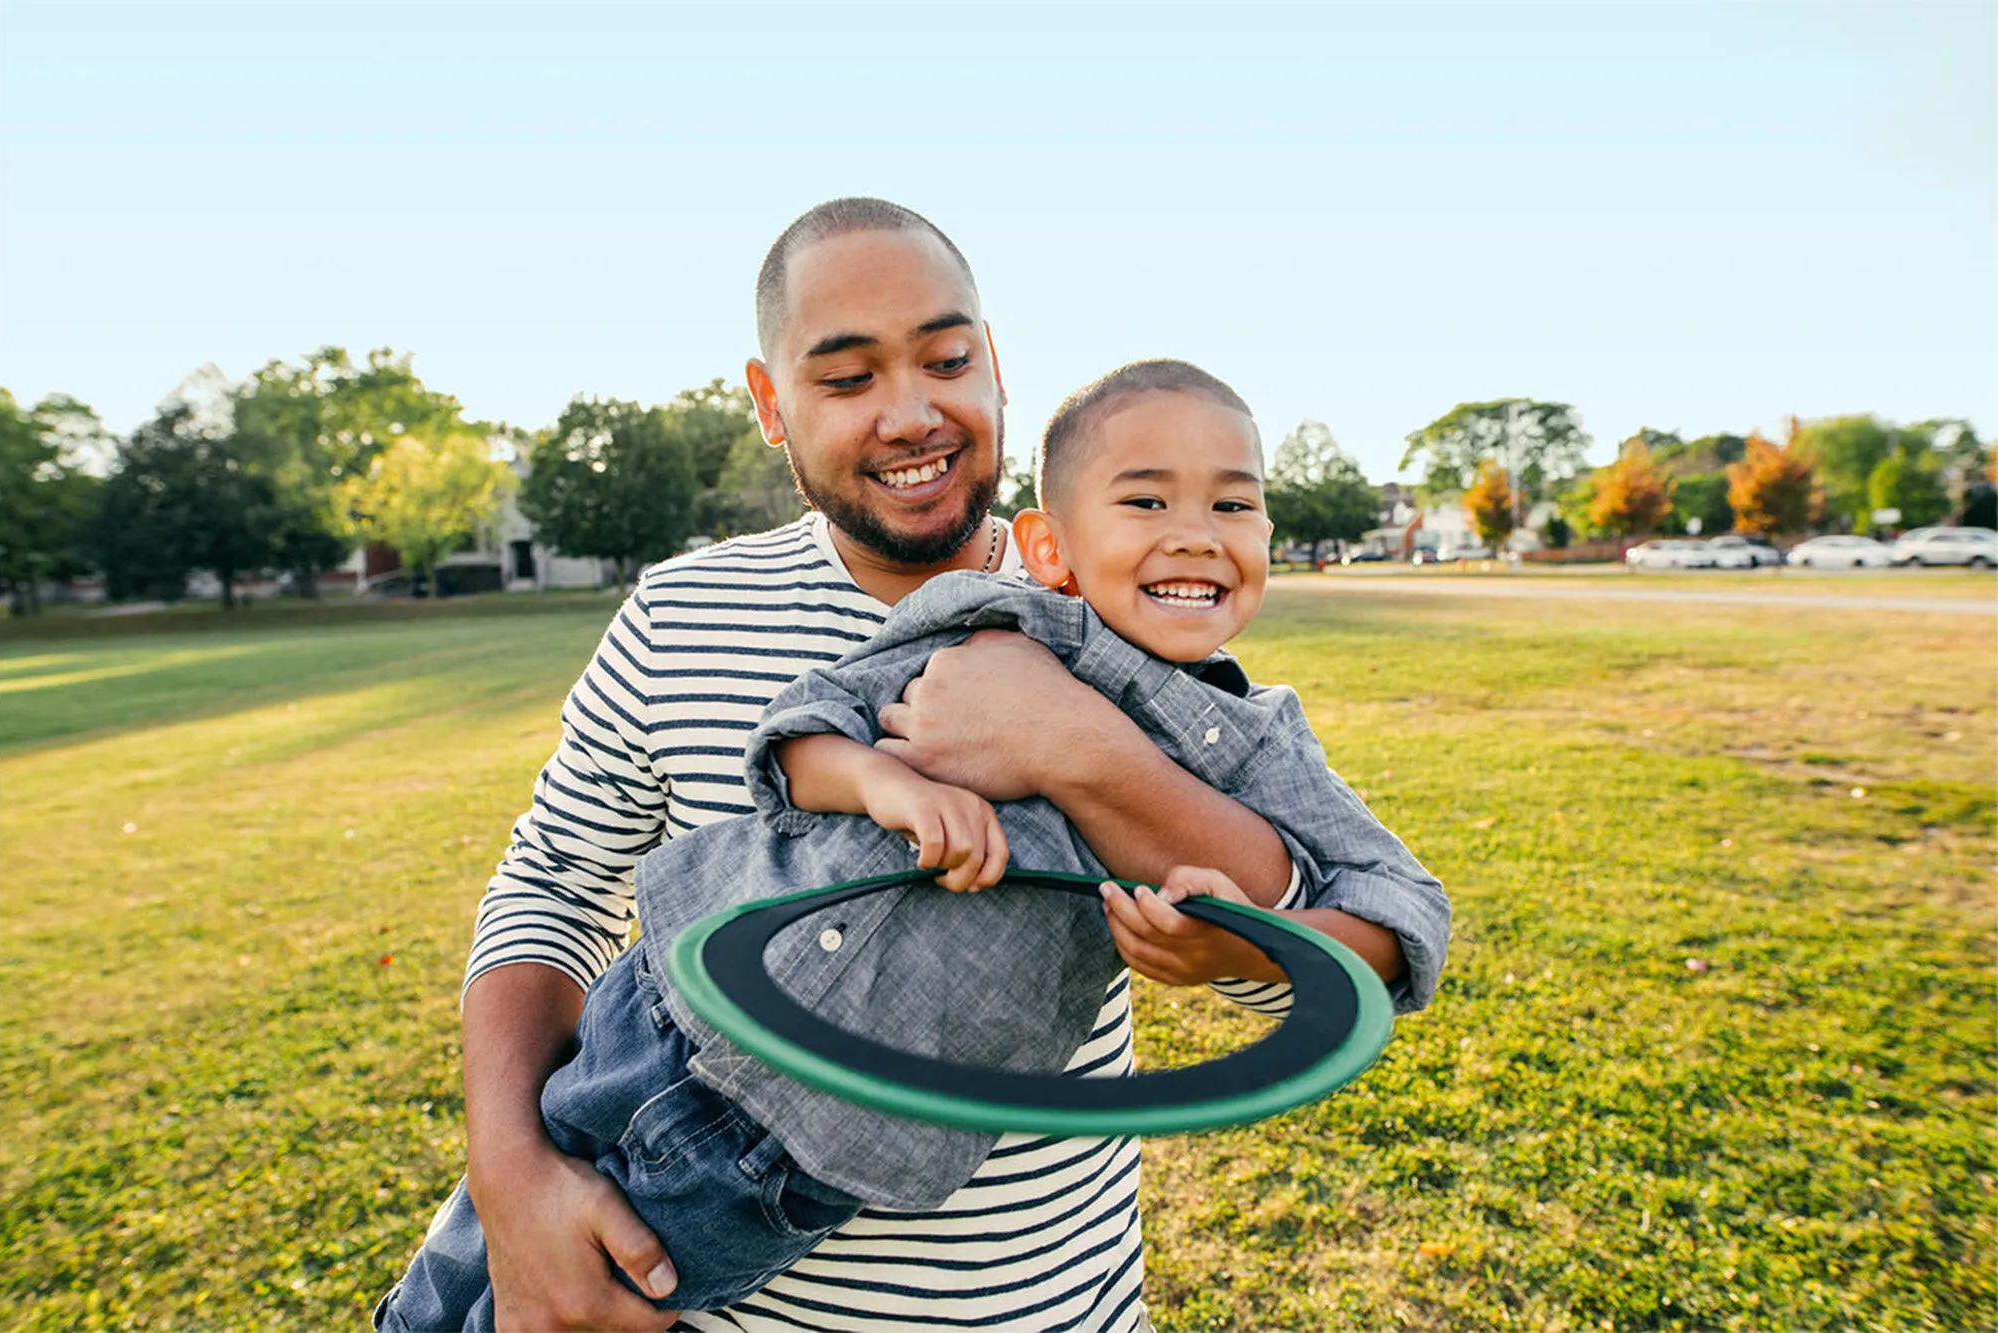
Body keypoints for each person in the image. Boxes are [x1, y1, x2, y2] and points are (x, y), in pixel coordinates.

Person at [429, 197, 1425, 1333]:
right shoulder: (676, 616)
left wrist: (1072, 747)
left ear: (994, 363)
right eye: (845, 378)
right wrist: (509, 1175)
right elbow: (550, 885)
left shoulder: (1145, 635)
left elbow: (1307, 966)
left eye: (946, 359)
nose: (911, 414)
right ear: (770, 403)